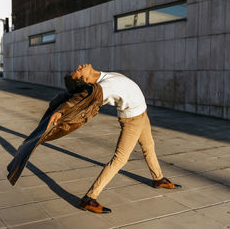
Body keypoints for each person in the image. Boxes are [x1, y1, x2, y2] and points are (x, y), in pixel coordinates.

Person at [48, 64, 181, 214]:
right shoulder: (102, 88)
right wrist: (60, 111)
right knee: (120, 159)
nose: (80, 66)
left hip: (142, 113)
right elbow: (81, 98)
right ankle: (89, 198)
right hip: (132, 120)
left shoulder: (101, 76)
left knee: (149, 146)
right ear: (84, 78)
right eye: (78, 70)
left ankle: (158, 179)